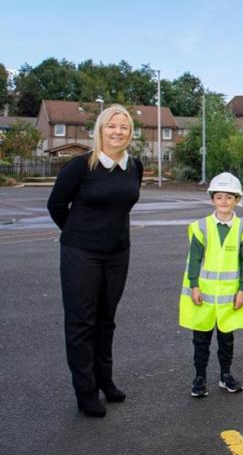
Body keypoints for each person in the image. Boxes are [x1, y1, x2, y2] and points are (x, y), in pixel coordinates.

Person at [47, 104, 143, 417]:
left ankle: (105, 380)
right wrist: (79, 236)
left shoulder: (135, 166)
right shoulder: (80, 167)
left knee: (106, 320)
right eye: (111, 126)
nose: (118, 132)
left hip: (118, 253)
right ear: (100, 130)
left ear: (130, 132)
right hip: (81, 254)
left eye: (124, 127)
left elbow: (123, 207)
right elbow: (57, 205)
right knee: (81, 323)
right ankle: (85, 391)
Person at [179, 172, 243, 398]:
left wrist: (242, 290)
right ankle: (199, 377)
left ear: (237, 201)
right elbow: (193, 260)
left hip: (230, 297)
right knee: (201, 340)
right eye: (219, 197)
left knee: (226, 340)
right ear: (212, 199)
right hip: (203, 295)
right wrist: (194, 285)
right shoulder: (201, 227)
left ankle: (225, 375)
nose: (224, 202)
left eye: (229, 197)